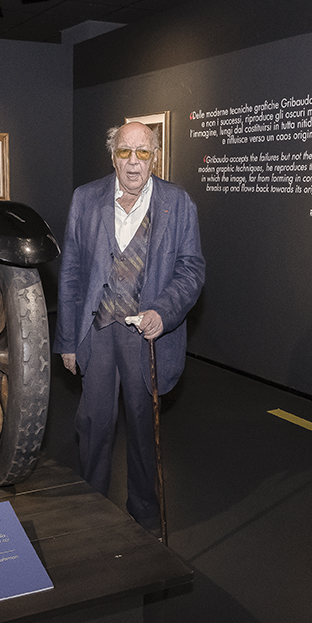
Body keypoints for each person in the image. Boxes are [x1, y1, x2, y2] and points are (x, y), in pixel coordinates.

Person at [55, 121, 205, 534]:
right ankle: (90, 509)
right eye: (125, 152)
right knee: (94, 425)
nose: (134, 162)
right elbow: (69, 273)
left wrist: (163, 312)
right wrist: (68, 340)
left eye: (143, 152)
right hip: (98, 331)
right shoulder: (85, 199)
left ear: (155, 156)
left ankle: (144, 516)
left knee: (143, 429)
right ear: (113, 155)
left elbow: (192, 270)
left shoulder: (178, 203)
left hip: (146, 336)